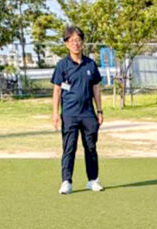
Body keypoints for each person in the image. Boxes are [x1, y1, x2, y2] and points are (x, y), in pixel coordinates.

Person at [51, 25, 104, 195]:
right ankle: (66, 181)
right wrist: (55, 113)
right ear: (66, 44)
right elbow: (57, 90)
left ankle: (93, 180)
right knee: (69, 148)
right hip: (69, 114)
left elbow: (96, 88)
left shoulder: (90, 64)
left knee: (90, 147)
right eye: (72, 40)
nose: (76, 44)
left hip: (88, 113)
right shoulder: (62, 65)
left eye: (78, 40)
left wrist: (100, 111)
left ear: (82, 43)